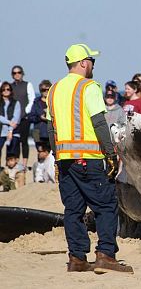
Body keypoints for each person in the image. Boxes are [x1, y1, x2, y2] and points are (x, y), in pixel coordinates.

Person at [48, 43, 133, 273]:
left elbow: (51, 129)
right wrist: (111, 154)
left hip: (65, 161)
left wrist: (56, 158)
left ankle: (77, 259)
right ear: (84, 63)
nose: (93, 64)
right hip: (89, 159)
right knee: (106, 205)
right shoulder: (88, 87)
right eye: (92, 61)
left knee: (73, 210)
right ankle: (106, 254)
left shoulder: (53, 90)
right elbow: (98, 122)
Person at [10, 65, 36, 169]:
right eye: (14, 73)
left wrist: (25, 112)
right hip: (13, 120)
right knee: (14, 142)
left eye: (19, 72)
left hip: (25, 119)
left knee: (24, 141)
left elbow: (32, 99)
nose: (17, 74)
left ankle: (24, 165)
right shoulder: (10, 87)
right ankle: (15, 162)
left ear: (22, 73)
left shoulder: (27, 85)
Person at [27, 79, 53, 146]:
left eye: (48, 89)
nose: (46, 91)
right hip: (37, 132)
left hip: (51, 132)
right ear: (40, 91)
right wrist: (40, 117)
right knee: (40, 154)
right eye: (43, 90)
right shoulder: (36, 102)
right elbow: (30, 117)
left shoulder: (54, 101)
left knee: (52, 155)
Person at [1, 81, 22, 162]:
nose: (6, 91)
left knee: (11, 153)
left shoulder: (16, 103)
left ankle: (9, 171)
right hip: (1, 131)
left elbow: (16, 118)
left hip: (13, 131)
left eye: (8, 89)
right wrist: (9, 122)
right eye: (3, 89)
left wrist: (10, 130)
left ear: (11, 90)